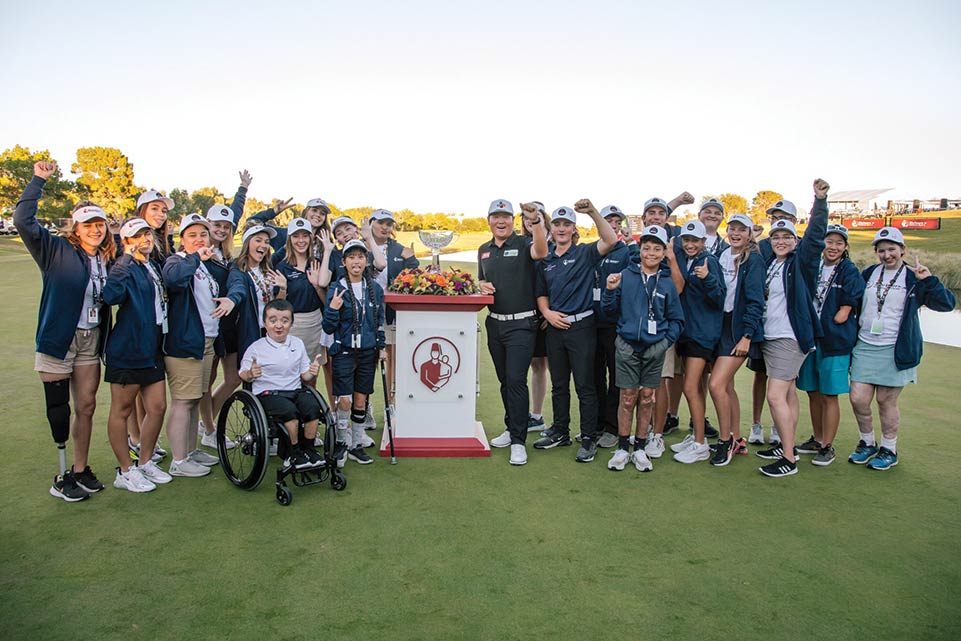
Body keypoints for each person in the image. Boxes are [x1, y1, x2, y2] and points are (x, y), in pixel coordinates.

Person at [15, 161, 115, 502]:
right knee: (59, 409)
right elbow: (22, 221)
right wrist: (38, 180)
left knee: (86, 405)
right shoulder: (55, 249)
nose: (95, 230)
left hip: (91, 340)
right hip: (59, 339)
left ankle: (80, 468)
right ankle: (61, 476)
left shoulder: (106, 257)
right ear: (76, 227)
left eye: (99, 224)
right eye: (88, 225)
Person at [847, 227, 956, 470]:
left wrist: (929, 280)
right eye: (882, 250)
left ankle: (889, 448)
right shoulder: (869, 274)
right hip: (865, 345)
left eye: (892, 250)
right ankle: (867, 442)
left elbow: (947, 304)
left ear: (902, 250)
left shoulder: (912, 277)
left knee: (886, 401)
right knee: (858, 399)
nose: (887, 255)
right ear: (876, 252)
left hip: (894, 348)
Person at [754, 179, 830, 478]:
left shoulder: (801, 263)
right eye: (776, 237)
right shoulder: (772, 262)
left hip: (789, 337)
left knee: (775, 396)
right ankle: (788, 446)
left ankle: (788, 457)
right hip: (772, 336)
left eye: (787, 236)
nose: (781, 241)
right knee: (787, 396)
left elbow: (815, 238)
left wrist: (820, 201)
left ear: (795, 241)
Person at [533, 200, 618, 463]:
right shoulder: (545, 258)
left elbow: (611, 239)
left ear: (573, 228)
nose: (561, 228)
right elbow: (541, 294)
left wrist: (592, 212)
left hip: (581, 327)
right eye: (557, 224)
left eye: (566, 224)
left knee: (585, 386)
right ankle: (560, 431)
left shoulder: (584, 253)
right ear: (552, 228)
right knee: (559, 385)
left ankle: (589, 437)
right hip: (555, 328)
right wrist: (546, 313)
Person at [603, 226, 684, 472]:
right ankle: (622, 448)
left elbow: (676, 320)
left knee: (647, 397)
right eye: (646, 248)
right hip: (627, 346)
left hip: (654, 349)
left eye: (657, 248)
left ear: (663, 253)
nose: (651, 253)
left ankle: (639, 448)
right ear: (639, 250)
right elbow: (608, 311)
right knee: (627, 398)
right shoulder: (625, 276)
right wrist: (609, 290)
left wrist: (662, 344)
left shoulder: (668, 283)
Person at [162, 214, 235, 477]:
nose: (199, 239)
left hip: (207, 341)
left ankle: (190, 451)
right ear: (182, 240)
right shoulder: (179, 260)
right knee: (183, 401)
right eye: (192, 235)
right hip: (186, 343)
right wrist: (194, 256)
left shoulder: (204, 265)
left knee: (194, 399)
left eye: (203, 234)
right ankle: (179, 460)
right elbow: (174, 279)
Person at [101, 218, 171, 491]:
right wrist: (125, 260)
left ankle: (144, 462)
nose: (146, 239)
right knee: (121, 411)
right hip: (128, 349)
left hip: (152, 348)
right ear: (127, 241)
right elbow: (111, 296)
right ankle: (125, 471)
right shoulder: (125, 265)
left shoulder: (152, 265)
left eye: (147, 234)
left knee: (157, 407)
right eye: (138, 235)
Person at [478, 199, 549, 465]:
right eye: (496, 217)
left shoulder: (523, 243)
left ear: (512, 220)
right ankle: (511, 427)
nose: (501, 221)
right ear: (489, 221)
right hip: (494, 323)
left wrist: (537, 222)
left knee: (516, 380)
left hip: (521, 324)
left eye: (506, 217)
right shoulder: (483, 249)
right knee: (505, 381)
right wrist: (482, 285)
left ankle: (519, 441)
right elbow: (483, 279)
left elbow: (541, 251)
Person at [794, 224, 865, 466]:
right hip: (811, 337)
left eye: (838, 243)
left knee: (829, 394)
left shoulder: (848, 270)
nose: (833, 247)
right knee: (812, 391)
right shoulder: (814, 266)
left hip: (835, 341)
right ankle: (818, 437)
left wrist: (844, 309)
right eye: (829, 241)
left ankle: (828, 446)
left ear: (845, 247)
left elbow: (852, 298)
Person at [700, 214, 765, 465]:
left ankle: (725, 441)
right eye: (732, 228)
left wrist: (747, 335)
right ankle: (737, 438)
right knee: (727, 387)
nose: (736, 233)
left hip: (738, 330)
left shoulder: (754, 260)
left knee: (716, 385)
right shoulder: (723, 255)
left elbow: (756, 300)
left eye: (741, 229)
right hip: (720, 325)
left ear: (749, 234)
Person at [665, 221, 727, 465]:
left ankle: (701, 444)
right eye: (686, 240)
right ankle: (696, 435)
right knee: (695, 388)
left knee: (691, 387)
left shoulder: (709, 262)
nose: (690, 244)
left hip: (702, 335)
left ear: (704, 242)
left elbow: (719, 298)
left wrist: (709, 278)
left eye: (695, 241)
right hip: (688, 333)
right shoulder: (686, 260)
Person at [322, 239, 387, 467]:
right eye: (351, 257)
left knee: (360, 400)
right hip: (344, 351)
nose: (356, 261)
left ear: (366, 260)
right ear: (344, 262)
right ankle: (342, 443)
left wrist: (381, 347)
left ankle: (356, 445)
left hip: (368, 351)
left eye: (360, 256)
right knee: (345, 401)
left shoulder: (375, 289)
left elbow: (379, 321)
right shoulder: (336, 288)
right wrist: (332, 309)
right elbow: (328, 327)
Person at [199, 170, 251, 449]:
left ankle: (206, 422)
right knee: (205, 382)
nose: (221, 230)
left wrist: (242, 190)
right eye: (216, 225)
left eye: (226, 227)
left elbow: (235, 215)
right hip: (207, 326)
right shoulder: (197, 253)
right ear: (208, 225)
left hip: (228, 324)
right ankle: (208, 430)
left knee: (232, 378)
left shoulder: (228, 255)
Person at [239, 300, 325, 470]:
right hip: (268, 393)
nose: (279, 325)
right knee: (289, 411)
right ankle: (291, 454)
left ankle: (307, 450)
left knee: (313, 408)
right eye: (273, 320)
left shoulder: (297, 343)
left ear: (291, 323)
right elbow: (242, 374)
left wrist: (312, 371)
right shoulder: (256, 348)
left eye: (284, 321)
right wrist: (250, 374)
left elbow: (304, 375)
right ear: (265, 323)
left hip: (294, 390)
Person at [748, 197, 801, 445]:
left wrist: (820, 201)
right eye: (774, 217)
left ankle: (785, 443)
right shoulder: (766, 248)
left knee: (782, 391)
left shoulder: (799, 257)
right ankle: (758, 425)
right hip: (766, 331)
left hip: (788, 334)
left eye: (784, 218)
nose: (777, 221)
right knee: (763, 379)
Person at [592, 205, 636, 449]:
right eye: (607, 220)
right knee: (595, 376)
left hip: (615, 324)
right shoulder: (592, 250)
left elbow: (640, 266)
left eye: (615, 221)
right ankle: (597, 425)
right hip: (591, 323)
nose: (611, 224)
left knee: (616, 379)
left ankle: (612, 427)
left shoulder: (625, 251)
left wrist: (633, 244)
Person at [369, 208, 419, 414]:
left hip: (391, 313)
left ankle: (391, 404)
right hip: (365, 314)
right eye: (381, 223)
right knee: (366, 361)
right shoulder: (360, 247)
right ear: (371, 223)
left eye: (389, 224)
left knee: (392, 358)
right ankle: (366, 406)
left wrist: (411, 259)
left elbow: (415, 275)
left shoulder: (399, 249)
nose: (385, 227)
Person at [225, 224, 283, 363]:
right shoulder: (238, 271)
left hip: (272, 333)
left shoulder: (268, 270)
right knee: (252, 378)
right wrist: (232, 299)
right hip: (251, 334)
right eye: (258, 240)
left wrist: (283, 289)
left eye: (267, 242)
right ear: (247, 243)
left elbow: (277, 305)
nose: (263, 245)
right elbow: (238, 288)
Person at [521, 202, 552, 432]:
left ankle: (540, 415)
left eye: (534, 216)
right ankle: (535, 416)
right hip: (528, 314)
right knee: (535, 364)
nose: (529, 220)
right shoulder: (521, 244)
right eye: (525, 217)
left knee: (547, 366)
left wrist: (546, 311)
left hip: (548, 314)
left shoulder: (553, 244)